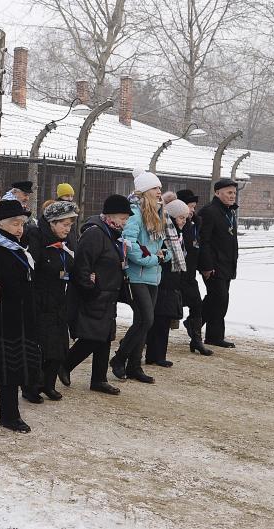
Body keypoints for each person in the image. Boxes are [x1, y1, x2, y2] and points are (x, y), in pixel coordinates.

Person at [60, 194, 132, 396]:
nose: (125, 222)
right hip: (95, 294)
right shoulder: (95, 233)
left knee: (105, 337)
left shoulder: (111, 233)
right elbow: (81, 266)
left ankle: (98, 379)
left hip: (108, 294)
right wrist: (91, 290)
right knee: (93, 336)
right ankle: (65, 364)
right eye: (123, 217)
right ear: (110, 215)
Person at [0, 199, 42, 433]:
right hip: (3, 317)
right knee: (7, 366)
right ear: (0, 224)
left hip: (20, 315)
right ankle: (9, 415)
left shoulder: (15, 245)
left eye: (22, 224)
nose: (20, 229)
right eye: (16, 224)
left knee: (8, 366)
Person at [111, 169, 168, 384]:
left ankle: (135, 365)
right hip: (137, 275)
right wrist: (153, 258)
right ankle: (119, 359)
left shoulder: (159, 213)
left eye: (159, 188)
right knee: (146, 319)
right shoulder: (135, 213)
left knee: (144, 322)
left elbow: (163, 245)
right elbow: (129, 244)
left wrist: (164, 255)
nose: (159, 192)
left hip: (154, 275)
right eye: (155, 188)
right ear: (144, 191)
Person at [25, 200, 79, 402]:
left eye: (70, 225)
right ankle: (31, 387)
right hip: (41, 300)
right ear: (52, 223)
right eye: (64, 224)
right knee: (42, 347)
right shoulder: (37, 237)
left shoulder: (66, 242)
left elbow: (73, 265)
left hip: (59, 299)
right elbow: (32, 267)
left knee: (58, 345)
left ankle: (49, 384)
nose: (67, 229)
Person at [145, 199, 191, 367]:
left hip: (172, 283)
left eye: (186, 218)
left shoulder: (177, 234)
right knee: (159, 321)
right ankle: (155, 355)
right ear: (171, 217)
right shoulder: (164, 233)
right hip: (163, 281)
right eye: (181, 217)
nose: (184, 221)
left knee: (163, 321)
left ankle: (157, 354)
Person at [197, 178, 240, 348]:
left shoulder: (229, 211)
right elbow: (203, 241)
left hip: (227, 264)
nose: (232, 196)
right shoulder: (209, 211)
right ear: (217, 193)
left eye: (234, 193)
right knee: (219, 298)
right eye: (229, 192)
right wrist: (207, 266)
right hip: (213, 265)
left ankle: (212, 335)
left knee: (220, 299)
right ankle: (197, 324)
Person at [176, 189, 211, 355]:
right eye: (189, 206)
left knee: (197, 305)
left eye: (193, 207)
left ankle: (196, 339)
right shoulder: (174, 224)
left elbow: (200, 247)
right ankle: (144, 340)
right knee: (164, 311)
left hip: (190, 275)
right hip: (174, 276)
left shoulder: (196, 224)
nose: (192, 210)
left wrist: (205, 266)